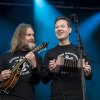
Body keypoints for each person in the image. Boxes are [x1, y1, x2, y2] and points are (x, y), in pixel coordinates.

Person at [42, 16, 92, 100]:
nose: (59, 29)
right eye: (56, 27)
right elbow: (44, 79)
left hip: (78, 97)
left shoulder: (79, 50)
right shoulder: (50, 53)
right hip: (58, 97)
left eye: (62, 26)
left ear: (70, 30)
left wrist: (88, 73)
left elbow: (90, 76)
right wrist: (51, 71)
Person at [0, 23, 42, 100]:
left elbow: (36, 81)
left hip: (27, 97)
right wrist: (0, 77)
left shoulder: (36, 57)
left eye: (33, 35)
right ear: (20, 37)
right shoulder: (6, 56)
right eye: (29, 35)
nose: (32, 37)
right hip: (7, 97)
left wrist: (34, 66)